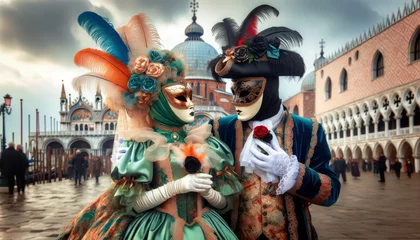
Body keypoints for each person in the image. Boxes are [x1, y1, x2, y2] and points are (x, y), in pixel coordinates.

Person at [58, 11, 241, 239]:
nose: (191, 103)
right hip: (158, 230)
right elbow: (132, 205)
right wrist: (175, 187)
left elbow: (225, 204)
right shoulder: (145, 146)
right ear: (159, 103)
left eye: (190, 95)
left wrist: (209, 193)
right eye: (180, 97)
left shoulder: (208, 142)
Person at [208, 5, 340, 239]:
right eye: (234, 89)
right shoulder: (220, 129)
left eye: (246, 89)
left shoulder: (307, 130)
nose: (237, 99)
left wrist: (292, 171)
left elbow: (331, 192)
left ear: (269, 86)